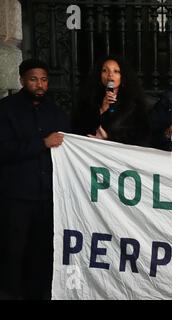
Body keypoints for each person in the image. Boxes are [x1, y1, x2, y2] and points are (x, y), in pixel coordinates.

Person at [0, 58, 70, 299]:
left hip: (47, 196)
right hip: (17, 196)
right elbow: (4, 150)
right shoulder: (6, 110)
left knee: (42, 252)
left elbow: (71, 146)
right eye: (33, 79)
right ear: (22, 80)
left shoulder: (56, 111)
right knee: (13, 251)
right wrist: (41, 144)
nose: (39, 84)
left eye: (43, 80)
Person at [72, 55, 152, 147]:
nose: (110, 74)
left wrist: (109, 138)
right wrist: (102, 110)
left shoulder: (134, 103)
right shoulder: (88, 99)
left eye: (116, 71)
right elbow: (79, 129)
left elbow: (142, 137)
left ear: (122, 76)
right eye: (105, 70)